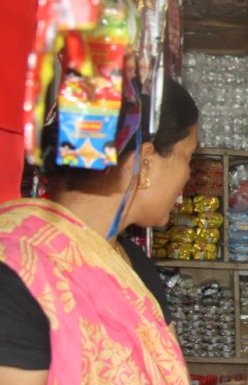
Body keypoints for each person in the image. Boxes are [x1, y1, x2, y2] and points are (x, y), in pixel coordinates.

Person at [0, 77, 198, 384]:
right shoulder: (16, 271)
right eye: (188, 157)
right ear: (145, 163)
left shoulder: (131, 265)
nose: (188, 177)